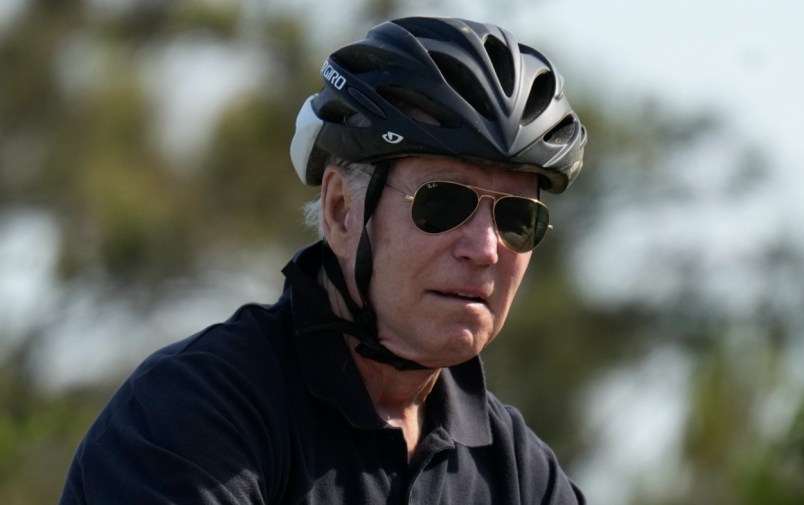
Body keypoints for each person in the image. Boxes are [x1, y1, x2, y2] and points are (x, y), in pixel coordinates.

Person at [59, 15, 587, 504]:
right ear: (340, 211)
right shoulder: (191, 413)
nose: (486, 248)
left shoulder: (518, 471)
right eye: (443, 203)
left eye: (517, 218)